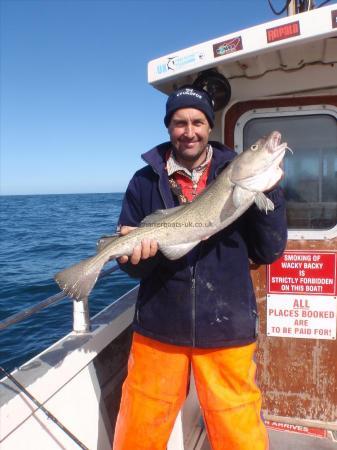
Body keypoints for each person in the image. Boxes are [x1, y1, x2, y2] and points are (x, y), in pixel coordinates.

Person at [113, 86, 287, 450]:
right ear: (168, 127)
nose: (188, 131)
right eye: (179, 122)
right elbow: (134, 271)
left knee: (237, 428)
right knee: (140, 428)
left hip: (227, 325)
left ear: (209, 127)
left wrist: (269, 192)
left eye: (197, 121)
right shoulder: (143, 182)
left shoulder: (236, 173)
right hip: (159, 325)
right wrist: (136, 254)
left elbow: (269, 251)